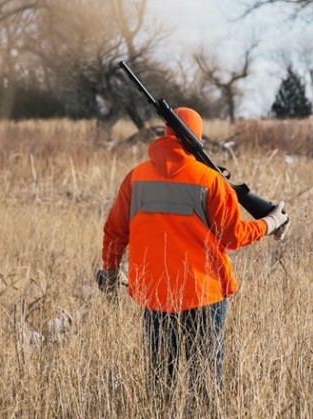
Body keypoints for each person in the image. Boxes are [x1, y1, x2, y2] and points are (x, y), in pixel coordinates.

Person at [95, 107, 289, 405]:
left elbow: (114, 232)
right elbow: (234, 236)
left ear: (166, 134)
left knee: (161, 383)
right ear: (196, 138)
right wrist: (271, 222)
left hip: (155, 294)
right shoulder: (210, 181)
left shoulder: (135, 177)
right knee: (206, 384)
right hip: (203, 296)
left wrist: (110, 272)